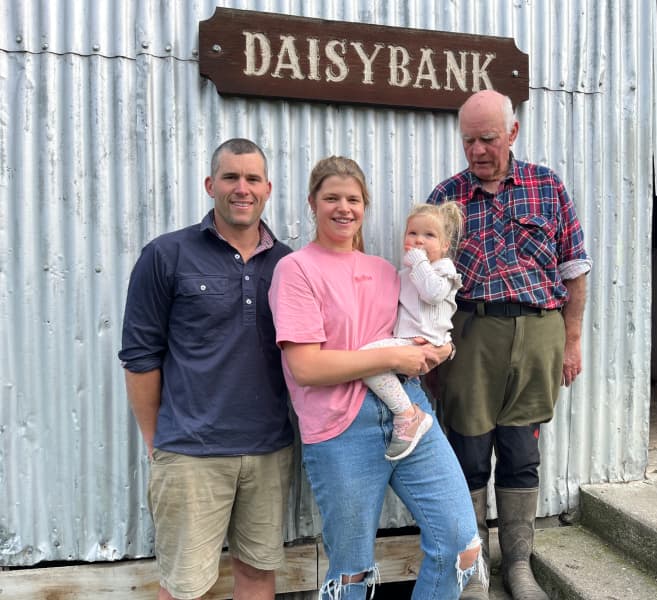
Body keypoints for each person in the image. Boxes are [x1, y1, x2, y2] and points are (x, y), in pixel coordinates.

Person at [268, 156, 486, 599]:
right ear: (313, 203)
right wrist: (397, 359)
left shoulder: (389, 272)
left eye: (353, 199)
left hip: (409, 415)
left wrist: (442, 350)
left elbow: (424, 327)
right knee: (352, 571)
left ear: (365, 206)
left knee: (462, 544)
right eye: (331, 198)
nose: (343, 208)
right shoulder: (296, 270)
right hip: (339, 428)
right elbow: (306, 368)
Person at [427, 90, 592, 600]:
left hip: (539, 331)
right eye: (469, 140)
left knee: (522, 453)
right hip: (472, 334)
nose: (477, 150)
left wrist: (571, 341)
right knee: (469, 452)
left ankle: (518, 566)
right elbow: (426, 283)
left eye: (488, 139)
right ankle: (475, 571)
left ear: (512, 134)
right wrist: (432, 354)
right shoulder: (446, 198)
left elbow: (574, 269)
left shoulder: (547, 187)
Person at [119, 138, 294, 600]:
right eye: (231, 177)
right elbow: (139, 356)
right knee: (184, 586)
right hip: (191, 454)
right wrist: (157, 441)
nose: (242, 188)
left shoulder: (289, 263)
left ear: (268, 188)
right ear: (210, 184)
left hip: (269, 449)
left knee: (257, 575)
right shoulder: (166, 255)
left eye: (252, 178)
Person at [359, 202, 463, 460]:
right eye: (413, 234)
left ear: (445, 246)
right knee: (369, 364)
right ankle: (406, 414)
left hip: (423, 343)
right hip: (407, 342)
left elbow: (433, 294)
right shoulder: (406, 273)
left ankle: (407, 414)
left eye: (429, 235)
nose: (419, 241)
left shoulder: (443, 269)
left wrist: (417, 260)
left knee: (364, 360)